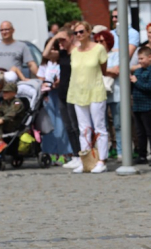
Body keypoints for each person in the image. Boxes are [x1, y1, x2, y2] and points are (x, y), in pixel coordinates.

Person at [66, 21, 109, 174]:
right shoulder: (75, 51)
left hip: (95, 90)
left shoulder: (99, 49)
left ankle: (102, 160)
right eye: (76, 32)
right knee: (83, 128)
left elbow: (103, 69)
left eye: (81, 31)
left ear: (89, 31)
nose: (79, 35)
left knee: (99, 127)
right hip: (78, 91)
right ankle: (86, 161)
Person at [50, 27, 82, 169]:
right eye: (60, 40)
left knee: (76, 127)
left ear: (70, 38)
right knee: (68, 127)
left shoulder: (76, 52)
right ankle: (75, 155)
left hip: (73, 93)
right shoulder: (62, 54)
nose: (61, 42)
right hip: (62, 92)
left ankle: (82, 155)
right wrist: (54, 38)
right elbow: (46, 54)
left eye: (63, 39)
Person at [38, 37, 70, 162]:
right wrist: (44, 86)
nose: (51, 52)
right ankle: (49, 152)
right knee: (49, 124)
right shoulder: (45, 64)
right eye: (49, 49)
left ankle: (64, 152)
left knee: (61, 125)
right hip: (48, 96)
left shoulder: (63, 62)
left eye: (54, 49)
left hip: (60, 94)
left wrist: (57, 83)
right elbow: (40, 78)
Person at [130, 46, 151, 166]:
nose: (140, 61)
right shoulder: (138, 71)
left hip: (148, 106)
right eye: (138, 59)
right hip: (137, 106)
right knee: (140, 133)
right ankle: (142, 155)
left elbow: (150, 87)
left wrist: (137, 82)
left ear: (150, 57)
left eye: (142, 58)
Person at [0, 21, 38, 87]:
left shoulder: (22, 46)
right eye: (2, 30)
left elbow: (31, 64)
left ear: (13, 30)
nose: (4, 32)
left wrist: (40, 77)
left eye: (6, 29)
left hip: (14, 86)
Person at [96, 30, 122, 160]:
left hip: (116, 93)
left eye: (102, 41)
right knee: (102, 126)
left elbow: (117, 71)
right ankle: (103, 153)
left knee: (118, 124)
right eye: (97, 41)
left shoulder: (115, 55)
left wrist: (102, 71)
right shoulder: (94, 55)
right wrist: (108, 71)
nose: (99, 43)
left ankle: (121, 151)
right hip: (100, 94)